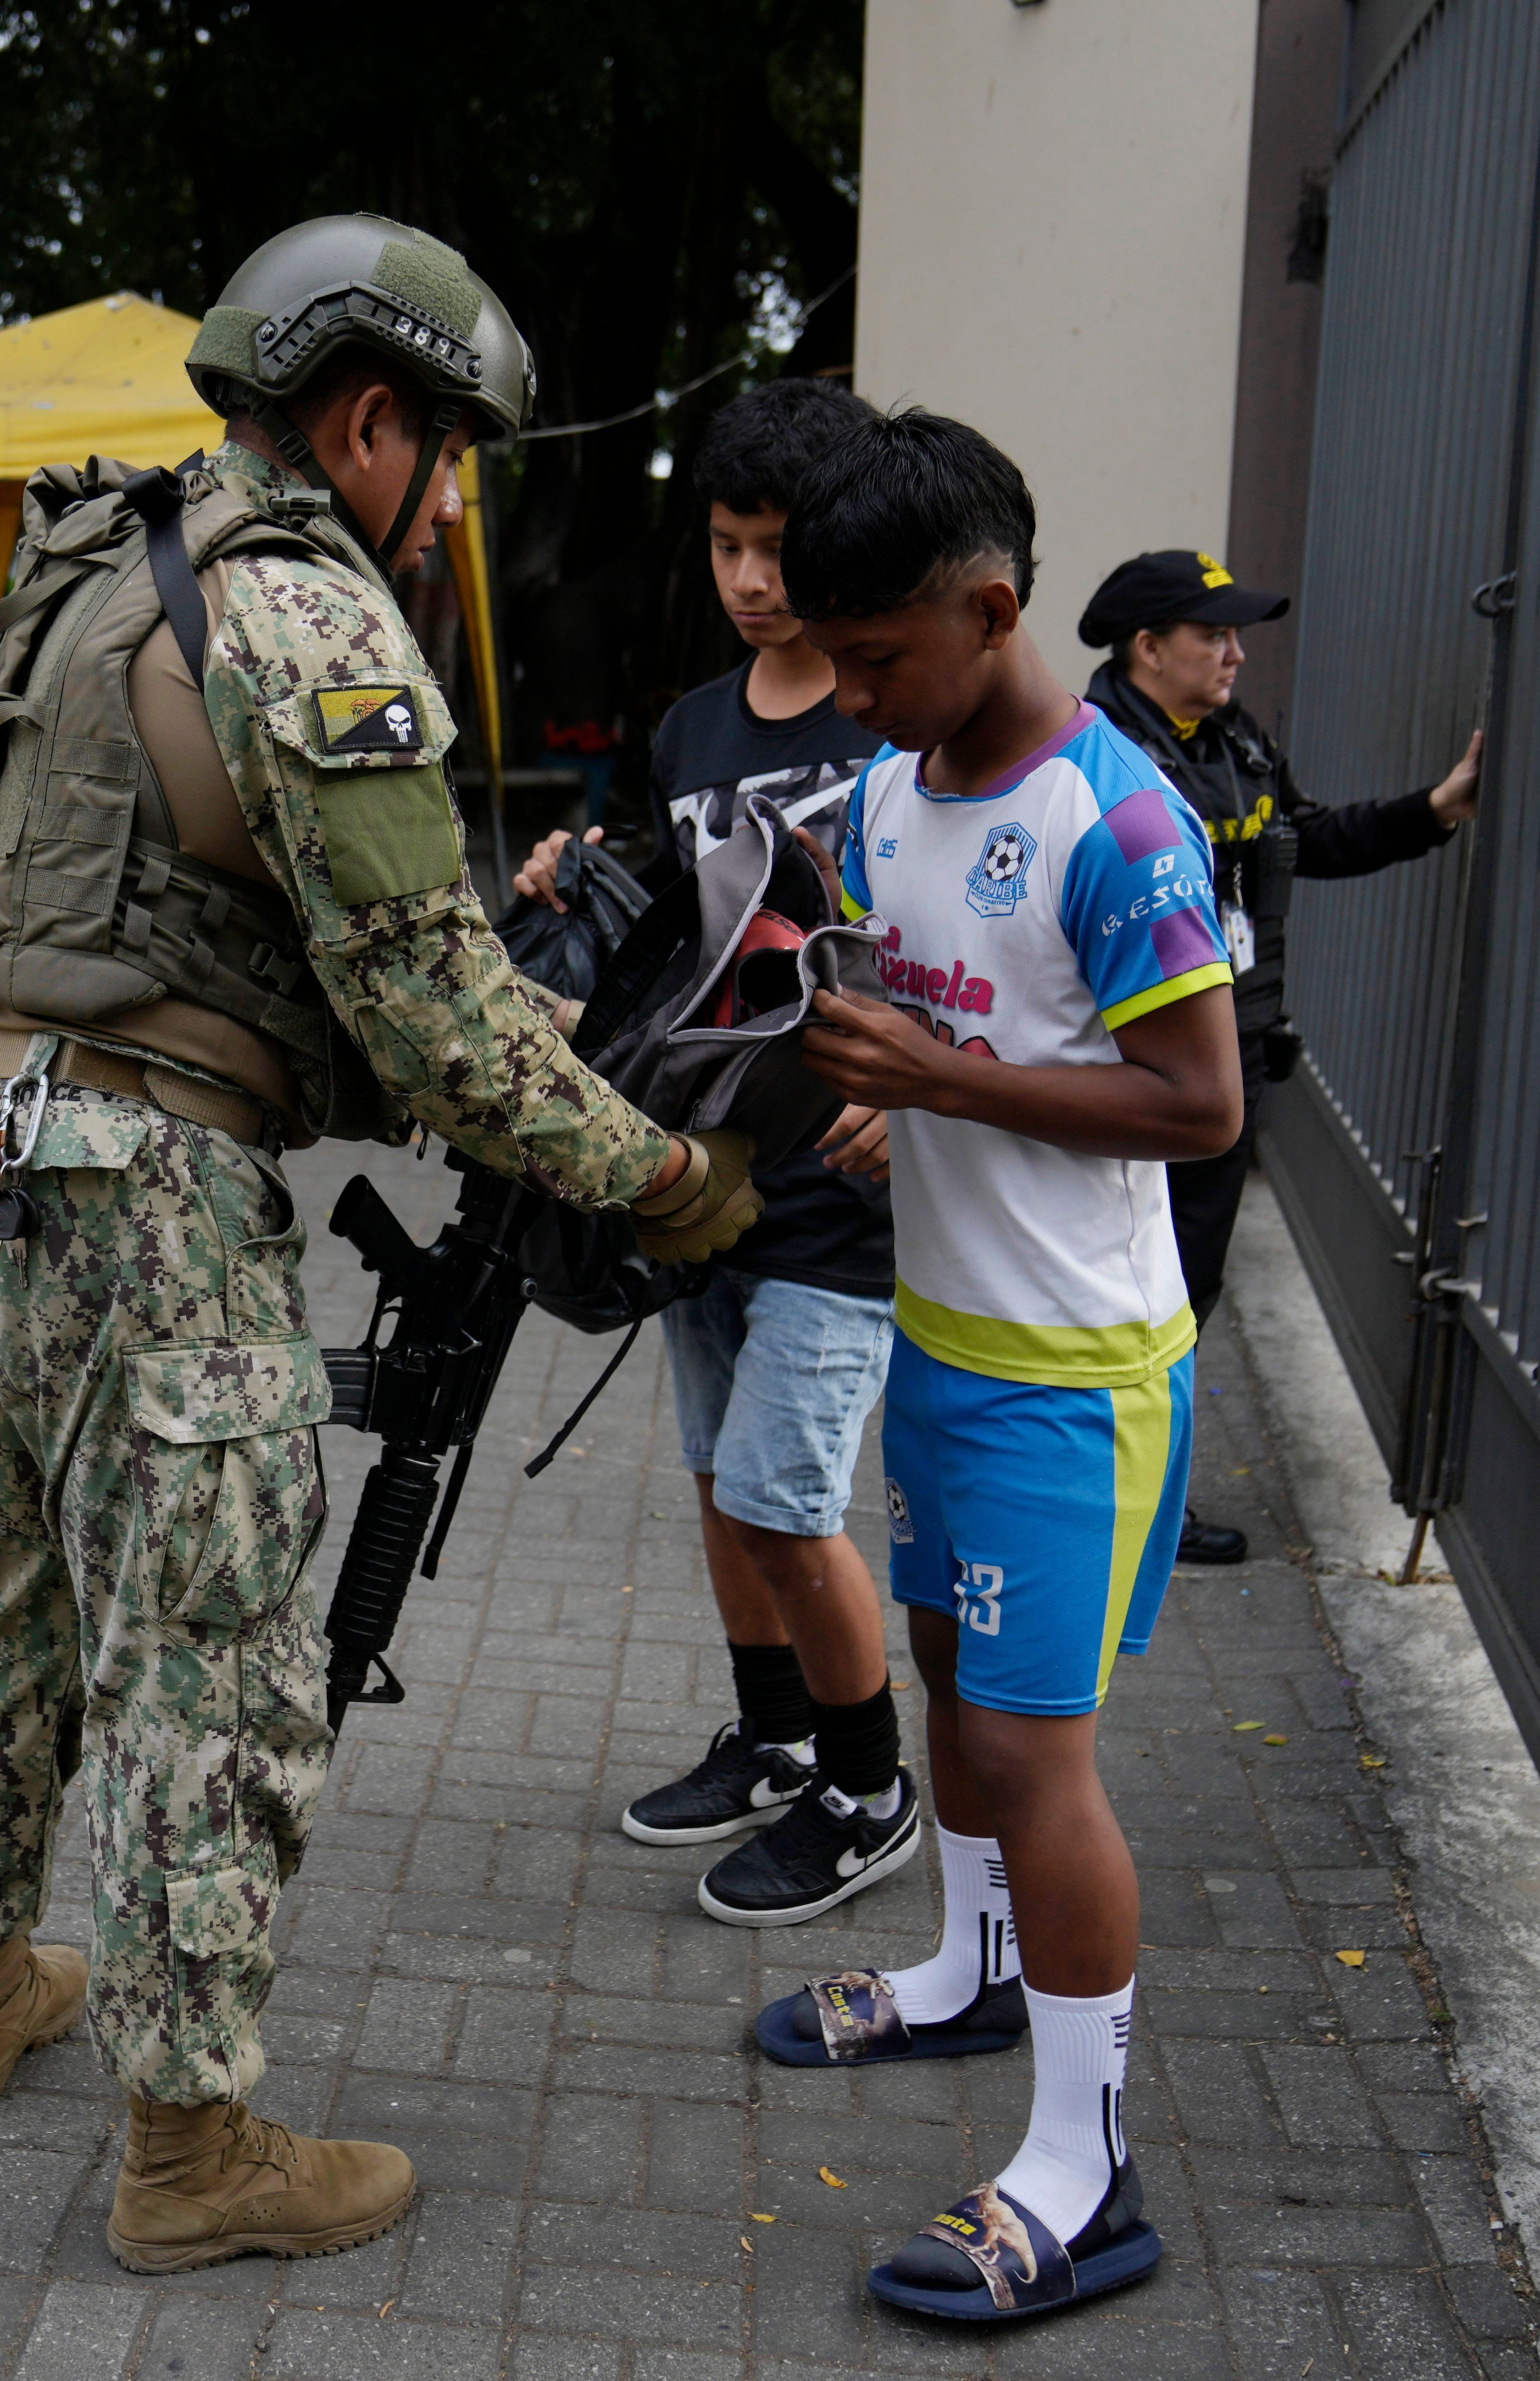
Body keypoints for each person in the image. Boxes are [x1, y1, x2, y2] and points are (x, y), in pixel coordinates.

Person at [0, 212, 763, 2276]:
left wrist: (482, 1012)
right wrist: (665, 1176)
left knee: (7, 1598)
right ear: (367, 420)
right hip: (144, 1198)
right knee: (211, 1665)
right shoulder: (303, 609)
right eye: (445, 453)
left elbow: (210, 915)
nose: (450, 497)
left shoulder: (100, 559)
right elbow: (432, 1012)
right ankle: (190, 2153)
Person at [765, 409, 1243, 2322]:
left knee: (1040, 1758)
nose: (854, 694)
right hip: (942, 1347)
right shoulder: (892, 792)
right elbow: (967, 1016)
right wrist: (909, 1109)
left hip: (1077, 1379)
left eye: (877, 657)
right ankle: (966, 1976)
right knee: (954, 1689)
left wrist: (935, 1081)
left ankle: (1087, 2165)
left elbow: (1197, 1105)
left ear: (988, 605)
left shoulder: (1127, 819)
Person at [512, 378, 913, 1928]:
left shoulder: (891, 715)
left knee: (784, 1501)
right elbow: (662, 947)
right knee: (716, 1485)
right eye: (728, 545)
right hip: (697, 1186)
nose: (752, 580)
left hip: (841, 1197)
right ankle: (775, 1738)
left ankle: (869, 1786)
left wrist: (933, 1091)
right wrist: (576, 884)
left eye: (779, 547)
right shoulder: (687, 727)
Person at [1078, 551, 1480, 1563]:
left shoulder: (1230, 741)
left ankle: (1143, 1504)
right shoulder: (1095, 760)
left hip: (1231, 1051)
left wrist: (1436, 807)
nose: (1235, 653)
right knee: (1118, 1288)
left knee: (1186, 1291)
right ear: (1147, 648)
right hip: (1130, 1065)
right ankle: (1100, 1500)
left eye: (1235, 634)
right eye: (1213, 635)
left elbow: (1307, 838)